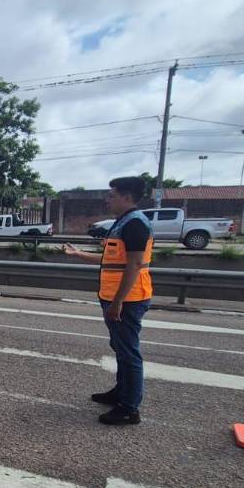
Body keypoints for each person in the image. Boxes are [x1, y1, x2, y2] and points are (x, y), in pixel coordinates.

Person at [63, 176, 153, 425]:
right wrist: (78, 253)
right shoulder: (122, 222)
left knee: (128, 353)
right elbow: (110, 260)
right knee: (120, 348)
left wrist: (118, 302)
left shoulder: (135, 224)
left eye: (111, 195)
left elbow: (134, 265)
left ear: (127, 196)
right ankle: (121, 392)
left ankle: (129, 408)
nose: (107, 199)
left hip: (128, 299)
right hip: (117, 297)